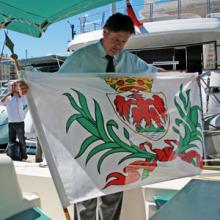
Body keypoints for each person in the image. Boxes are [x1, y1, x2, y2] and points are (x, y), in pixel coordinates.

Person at [58, 13, 158, 220]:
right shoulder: (81, 58)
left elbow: (153, 74)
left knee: (113, 191)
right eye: (115, 40)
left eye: (123, 42)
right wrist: (28, 87)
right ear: (104, 32)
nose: (119, 46)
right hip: (87, 135)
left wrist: (185, 76)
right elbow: (54, 86)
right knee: (86, 196)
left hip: (118, 137)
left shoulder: (129, 60)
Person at [0, 80, 29, 160]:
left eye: (15, 86)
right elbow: (1, 103)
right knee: (11, 140)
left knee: (22, 140)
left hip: (19, 122)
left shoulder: (21, 97)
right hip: (11, 123)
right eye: (12, 86)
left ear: (17, 87)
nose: (13, 87)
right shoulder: (8, 98)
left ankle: (24, 155)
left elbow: (26, 102)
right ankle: (12, 155)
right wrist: (8, 94)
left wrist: (20, 93)